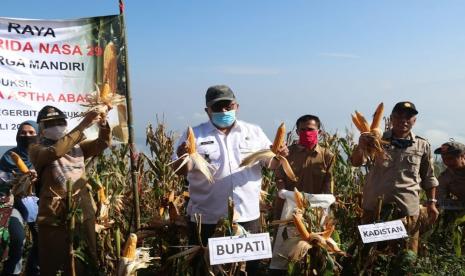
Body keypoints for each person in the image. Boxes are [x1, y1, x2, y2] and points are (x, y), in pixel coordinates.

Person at [173, 85, 286, 274]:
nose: (224, 111)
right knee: (207, 271)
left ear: (237, 106)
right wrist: (182, 157)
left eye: (228, 105)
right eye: (217, 107)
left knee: (249, 270)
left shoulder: (254, 132)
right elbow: (180, 171)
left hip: (248, 217)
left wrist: (280, 156)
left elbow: (271, 164)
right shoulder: (194, 135)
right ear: (207, 111)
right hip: (208, 220)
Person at [28, 105, 111, 275]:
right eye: (50, 123)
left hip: (82, 207)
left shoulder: (78, 146)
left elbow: (102, 143)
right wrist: (83, 125)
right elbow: (56, 151)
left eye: (60, 121)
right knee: (55, 261)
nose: (56, 126)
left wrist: (103, 125)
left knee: (85, 256)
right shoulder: (36, 150)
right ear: (41, 129)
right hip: (53, 212)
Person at [350, 101, 438, 253]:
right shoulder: (376, 140)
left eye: (408, 117)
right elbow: (356, 162)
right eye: (398, 116)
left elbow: (429, 177)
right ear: (391, 119)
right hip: (375, 209)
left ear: (414, 121)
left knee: (405, 256)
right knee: (371, 254)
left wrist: (431, 202)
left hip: (407, 211)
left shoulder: (422, 145)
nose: (403, 120)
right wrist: (361, 146)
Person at [270, 114, 335, 274]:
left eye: (311, 129)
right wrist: (283, 191)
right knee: (286, 248)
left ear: (319, 131)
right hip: (288, 210)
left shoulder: (327, 156)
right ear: (297, 132)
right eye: (303, 130)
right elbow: (279, 177)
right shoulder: (287, 153)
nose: (307, 132)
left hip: (316, 212)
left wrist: (327, 205)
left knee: (313, 250)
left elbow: (328, 183)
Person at [0, 121, 39, 276]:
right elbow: (1, 180)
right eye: (23, 133)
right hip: (14, 203)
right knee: (17, 240)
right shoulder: (9, 157)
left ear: (38, 134)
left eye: (31, 132)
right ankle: (12, 272)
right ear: (17, 135)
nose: (27, 136)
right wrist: (15, 179)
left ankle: (33, 271)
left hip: (38, 203)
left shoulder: (44, 155)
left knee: (43, 241)